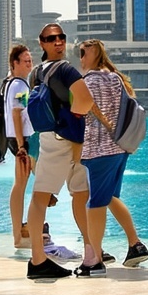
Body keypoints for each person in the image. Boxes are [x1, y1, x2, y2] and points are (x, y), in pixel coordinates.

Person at [24, 22, 94, 280]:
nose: (58, 42)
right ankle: (40, 260)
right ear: (42, 43)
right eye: (51, 38)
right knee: (52, 195)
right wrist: (74, 115)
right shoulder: (64, 68)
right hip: (67, 138)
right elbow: (86, 100)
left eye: (62, 37)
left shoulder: (35, 73)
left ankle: (89, 249)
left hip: (47, 136)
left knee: (55, 195)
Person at [76, 39, 148, 275]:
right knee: (108, 197)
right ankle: (135, 245)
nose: (81, 59)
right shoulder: (116, 78)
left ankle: (94, 260)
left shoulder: (89, 80)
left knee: (95, 203)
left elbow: (79, 109)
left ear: (90, 56)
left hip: (98, 149)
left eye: (82, 54)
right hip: (120, 147)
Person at [3, 44, 38, 249]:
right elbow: (17, 113)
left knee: (24, 184)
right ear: (15, 64)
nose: (29, 64)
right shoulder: (19, 86)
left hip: (19, 138)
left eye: (30, 61)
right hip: (22, 139)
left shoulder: (12, 83)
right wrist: (21, 145)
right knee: (23, 185)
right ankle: (20, 235)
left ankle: (23, 230)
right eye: (25, 61)